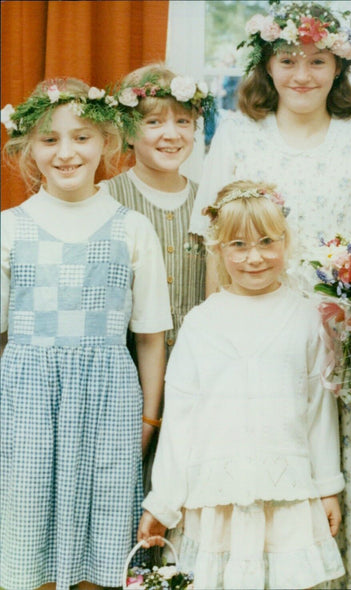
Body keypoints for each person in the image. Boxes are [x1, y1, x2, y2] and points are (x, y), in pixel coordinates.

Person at [186, 5, 351, 585]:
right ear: (266, 66)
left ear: (339, 66)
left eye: (318, 61)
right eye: (288, 59)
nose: (303, 74)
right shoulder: (239, 137)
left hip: (330, 336)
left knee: (326, 467)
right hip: (249, 330)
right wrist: (215, 327)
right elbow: (211, 240)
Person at [0, 78, 172, 589]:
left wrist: (149, 415)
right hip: (28, 400)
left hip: (109, 401)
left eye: (81, 137)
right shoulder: (10, 227)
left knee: (105, 528)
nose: (66, 152)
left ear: (107, 142)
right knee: (27, 522)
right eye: (49, 139)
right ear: (28, 147)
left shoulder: (131, 228)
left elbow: (150, 336)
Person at [137, 180, 345, 589]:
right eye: (238, 245)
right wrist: (162, 502)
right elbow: (180, 420)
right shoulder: (201, 323)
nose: (254, 258)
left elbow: (319, 411)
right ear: (218, 249)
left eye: (267, 241)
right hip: (217, 500)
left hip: (286, 496)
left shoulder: (306, 317)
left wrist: (327, 488)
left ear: (287, 242)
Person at [106, 63, 213, 358]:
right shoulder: (105, 198)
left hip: (195, 366)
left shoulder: (209, 204)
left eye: (182, 121)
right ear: (127, 133)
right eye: (154, 122)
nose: (171, 134)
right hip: (126, 367)